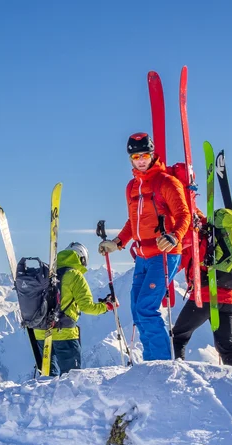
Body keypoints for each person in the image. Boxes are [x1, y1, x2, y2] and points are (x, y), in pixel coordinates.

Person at [98, 133, 192, 361]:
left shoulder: (167, 182)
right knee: (137, 311)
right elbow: (133, 222)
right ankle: (151, 363)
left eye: (145, 155)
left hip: (165, 253)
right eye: (136, 156)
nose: (140, 160)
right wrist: (118, 242)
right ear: (130, 158)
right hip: (142, 256)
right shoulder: (131, 187)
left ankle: (159, 365)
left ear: (152, 155)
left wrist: (173, 236)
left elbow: (183, 214)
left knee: (146, 309)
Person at [34, 242, 114, 376]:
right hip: (64, 333)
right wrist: (107, 306)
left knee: (47, 379)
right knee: (71, 378)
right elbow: (87, 307)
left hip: (41, 332)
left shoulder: (47, 273)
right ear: (82, 259)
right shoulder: (75, 276)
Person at [171, 228, 232, 366]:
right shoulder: (221, 234)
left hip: (205, 296)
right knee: (227, 346)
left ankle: (177, 372)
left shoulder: (195, 238)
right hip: (228, 298)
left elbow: (175, 265)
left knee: (178, 337)